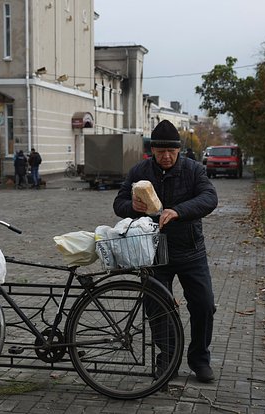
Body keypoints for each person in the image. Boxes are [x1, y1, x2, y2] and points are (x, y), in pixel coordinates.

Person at [113, 119, 218, 383]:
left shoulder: (194, 169)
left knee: (204, 305)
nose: (167, 157)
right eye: (161, 153)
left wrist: (179, 211)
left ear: (178, 150)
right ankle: (167, 359)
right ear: (153, 152)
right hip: (152, 253)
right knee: (159, 309)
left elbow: (209, 198)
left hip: (190, 250)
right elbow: (119, 202)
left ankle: (200, 360)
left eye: (171, 152)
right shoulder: (140, 170)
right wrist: (133, 207)